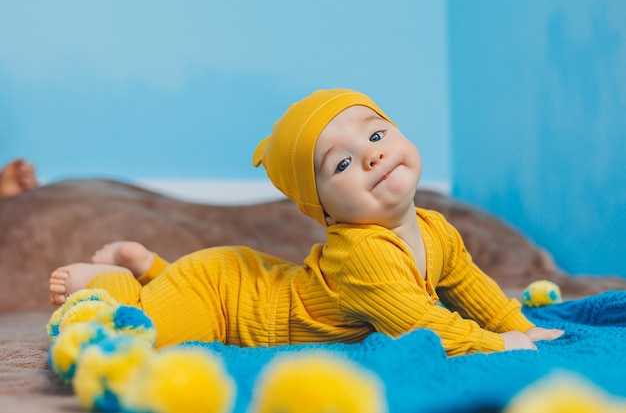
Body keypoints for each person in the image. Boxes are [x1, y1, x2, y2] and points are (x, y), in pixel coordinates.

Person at [49, 88, 563, 356]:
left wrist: (517, 325)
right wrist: (491, 345)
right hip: (224, 301)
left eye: (377, 135)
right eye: (341, 164)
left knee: (167, 301)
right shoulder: (362, 254)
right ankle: (112, 278)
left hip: (237, 276)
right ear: (324, 209)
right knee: (138, 333)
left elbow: (468, 284)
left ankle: (154, 267)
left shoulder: (436, 228)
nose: (370, 156)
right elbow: (420, 325)